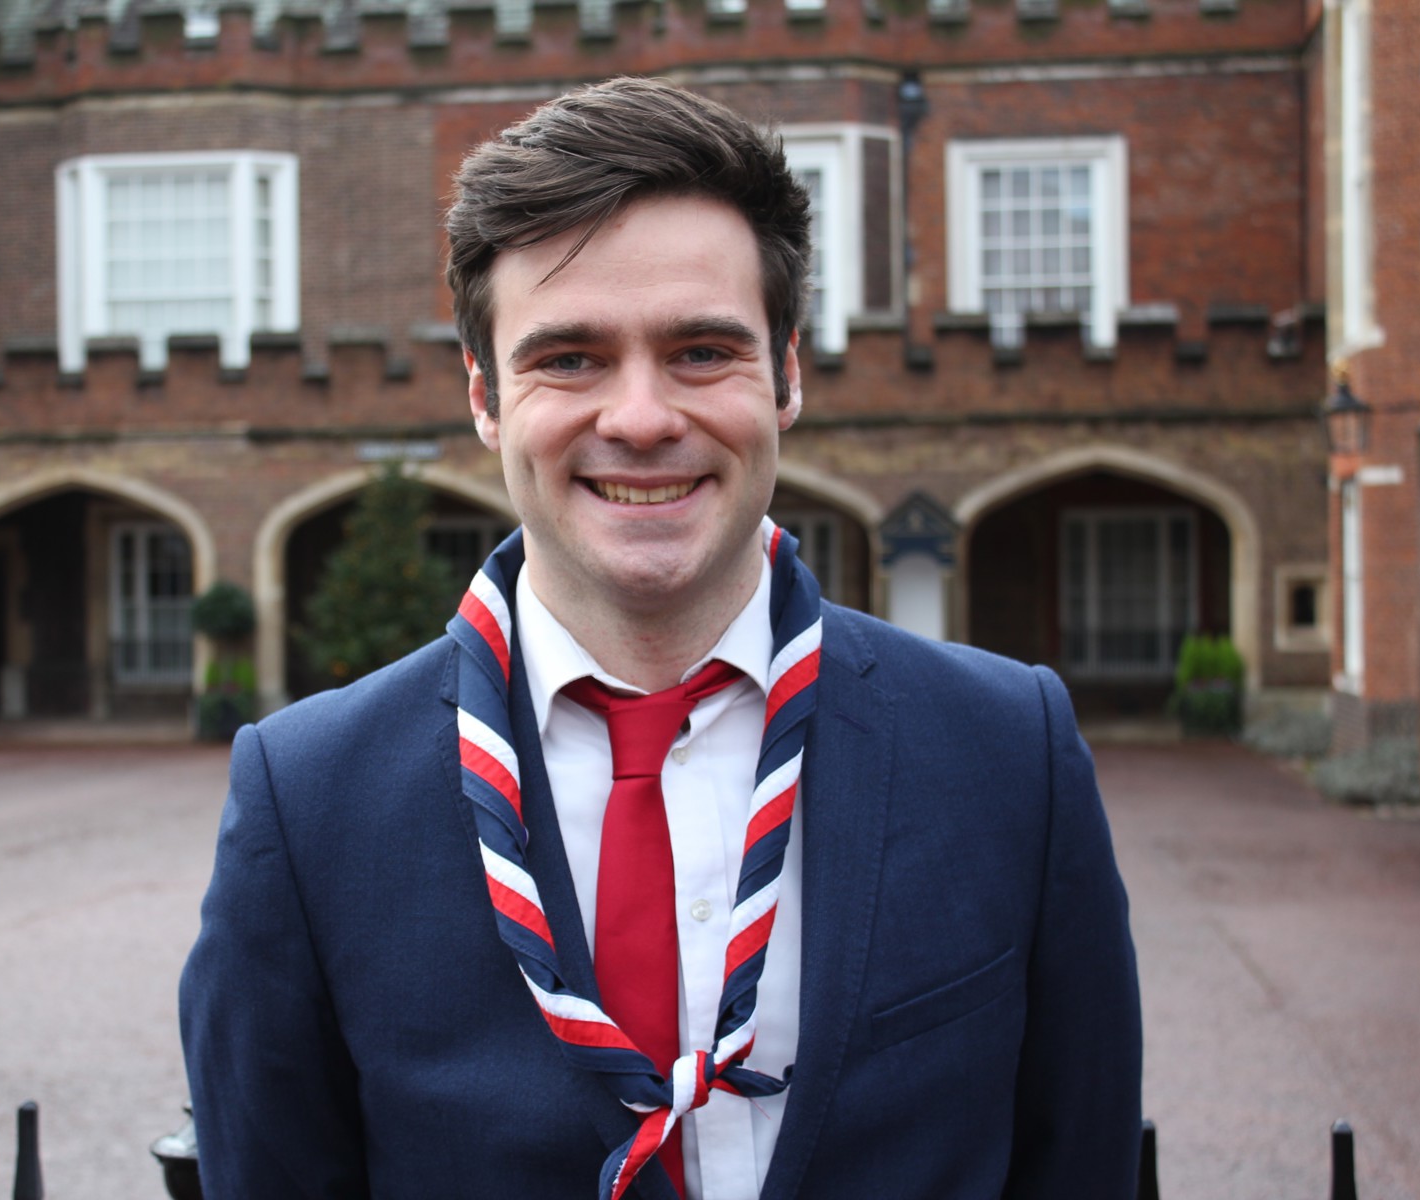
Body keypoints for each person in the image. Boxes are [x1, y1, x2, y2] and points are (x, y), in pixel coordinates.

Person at [180, 76, 1140, 1200]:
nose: (640, 418)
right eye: (570, 358)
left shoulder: (1007, 753)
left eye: (699, 352)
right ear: (486, 396)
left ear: (786, 374)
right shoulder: (307, 800)